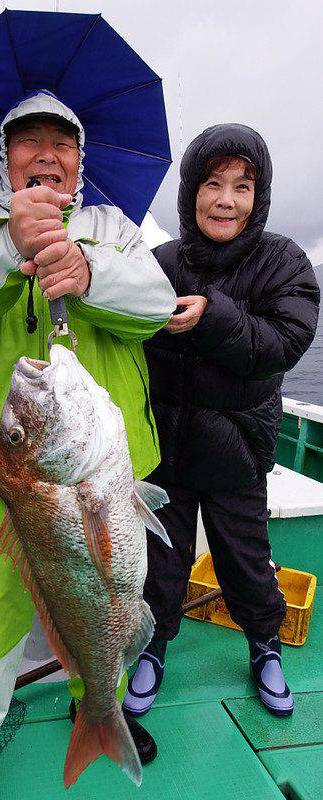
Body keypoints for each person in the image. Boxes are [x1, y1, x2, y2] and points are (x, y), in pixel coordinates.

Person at [0, 91, 176, 799]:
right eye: (28, 140)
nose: (47, 153)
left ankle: (99, 702)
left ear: (80, 159)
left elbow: (155, 307)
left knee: (110, 596)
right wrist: (8, 247)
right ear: (6, 158)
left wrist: (89, 272)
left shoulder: (113, 228)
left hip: (103, 474)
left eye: (63, 140)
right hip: (11, 478)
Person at [123, 123, 320, 720]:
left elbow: (282, 343)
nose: (226, 199)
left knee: (246, 562)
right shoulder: (158, 262)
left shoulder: (284, 261)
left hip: (238, 453)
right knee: (161, 564)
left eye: (242, 186)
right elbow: (120, 325)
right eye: (212, 183)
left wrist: (212, 318)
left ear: (259, 197)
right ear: (190, 191)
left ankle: (264, 646)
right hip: (167, 453)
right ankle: (152, 649)